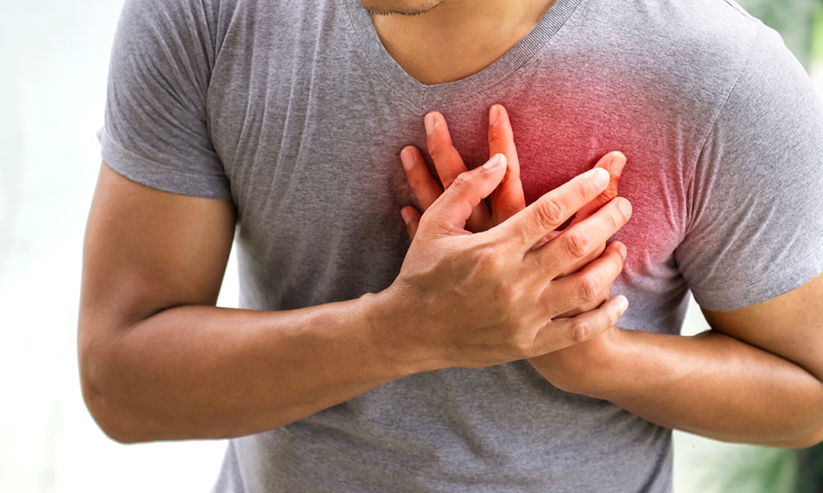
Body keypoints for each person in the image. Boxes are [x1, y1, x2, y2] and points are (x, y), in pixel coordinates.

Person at [79, 0, 823, 492]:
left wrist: (592, 356)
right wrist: (402, 332)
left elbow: (808, 395)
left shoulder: (719, 70)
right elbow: (121, 382)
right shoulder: (206, 14)